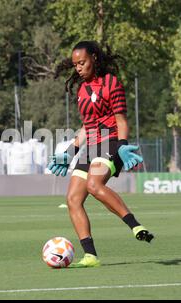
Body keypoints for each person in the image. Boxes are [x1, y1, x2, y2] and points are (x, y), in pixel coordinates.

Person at [48, 41, 154, 268]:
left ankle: (135, 226)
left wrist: (123, 145)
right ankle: (91, 256)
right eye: (75, 64)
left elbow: (121, 120)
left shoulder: (111, 83)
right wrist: (70, 152)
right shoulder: (82, 90)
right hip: (92, 146)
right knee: (73, 199)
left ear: (94, 58)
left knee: (94, 185)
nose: (78, 67)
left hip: (112, 142)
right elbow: (87, 127)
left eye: (82, 62)